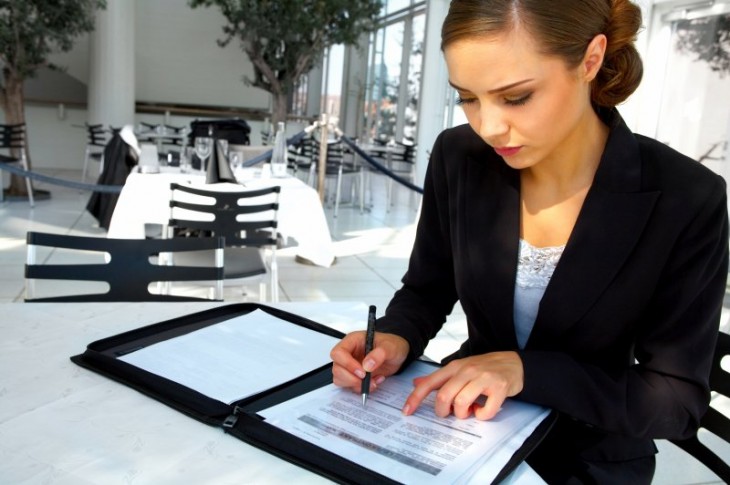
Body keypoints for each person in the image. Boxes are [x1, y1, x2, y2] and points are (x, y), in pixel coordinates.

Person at [330, 0, 729, 482]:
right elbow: (427, 289)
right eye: (468, 98)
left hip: (590, 460)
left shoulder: (686, 197)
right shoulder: (460, 157)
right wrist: (395, 337)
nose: (489, 127)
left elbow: (676, 402)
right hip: (458, 429)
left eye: (516, 97)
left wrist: (526, 371)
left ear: (590, 59)